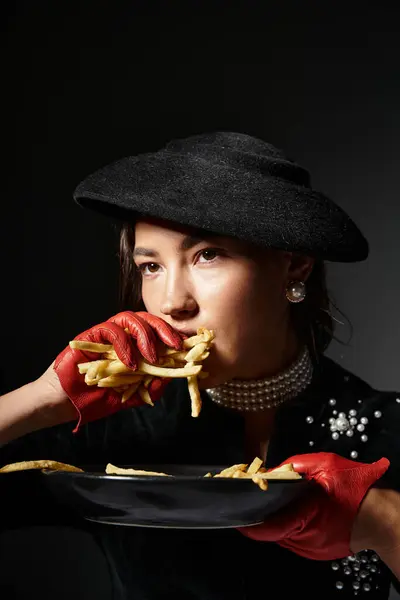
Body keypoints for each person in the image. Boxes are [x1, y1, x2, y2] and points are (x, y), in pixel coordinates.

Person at [0, 131, 399, 600]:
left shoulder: (386, 428)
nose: (172, 303)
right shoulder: (113, 425)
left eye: (207, 255)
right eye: (151, 267)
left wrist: (384, 522)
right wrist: (42, 399)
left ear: (295, 265)